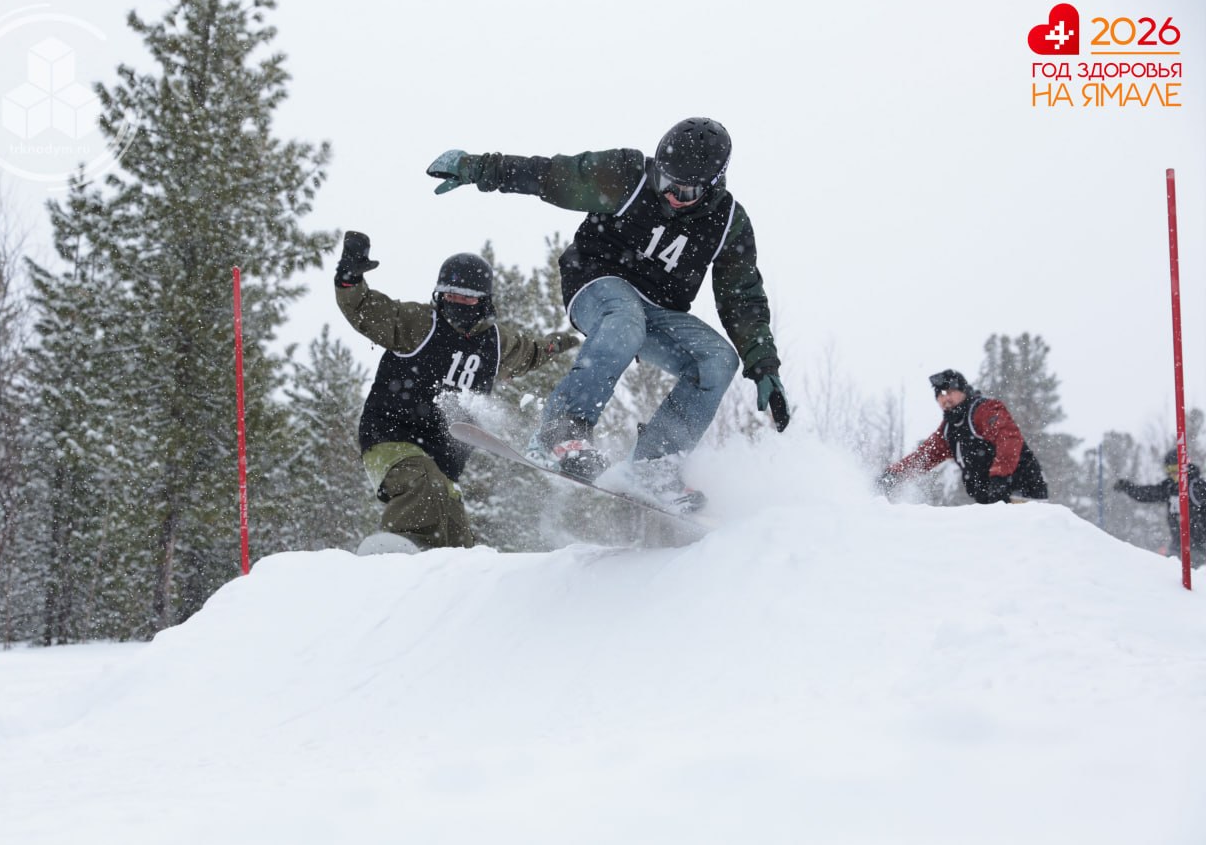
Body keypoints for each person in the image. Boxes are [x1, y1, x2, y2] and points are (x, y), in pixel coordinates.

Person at [425, 118, 789, 511]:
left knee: (718, 360)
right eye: (666, 183)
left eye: (686, 191)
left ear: (714, 186)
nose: (671, 196)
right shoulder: (628, 176)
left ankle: (655, 465)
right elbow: (548, 176)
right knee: (624, 320)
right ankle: (562, 428)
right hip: (596, 284)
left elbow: (742, 297)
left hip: (659, 312)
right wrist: (477, 168)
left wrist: (764, 363)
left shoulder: (728, 224)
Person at [333, 231, 579, 550]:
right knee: (423, 481)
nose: (458, 303)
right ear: (441, 296)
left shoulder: (496, 343)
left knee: (456, 533)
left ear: (483, 300)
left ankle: (452, 573)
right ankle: (402, 547)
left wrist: (561, 343)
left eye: (467, 298)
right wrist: (350, 276)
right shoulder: (419, 323)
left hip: (444, 459)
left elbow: (530, 352)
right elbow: (365, 310)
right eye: (451, 296)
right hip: (392, 439)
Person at [878, 369, 1049, 504]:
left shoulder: (984, 410)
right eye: (940, 394)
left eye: (949, 391)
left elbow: (1008, 438)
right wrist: (894, 475)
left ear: (963, 391)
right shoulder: (949, 430)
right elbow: (924, 456)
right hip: (992, 501)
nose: (945, 398)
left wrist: (1000, 477)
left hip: (1021, 493)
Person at [1113, 449, 1206, 568]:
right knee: (1168, 574)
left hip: (1199, 547)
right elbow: (1148, 494)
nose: (1172, 474)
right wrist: (1128, 487)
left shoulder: (1196, 486)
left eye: (1175, 469)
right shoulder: (1169, 486)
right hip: (1178, 546)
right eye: (1169, 470)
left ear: (1185, 467)